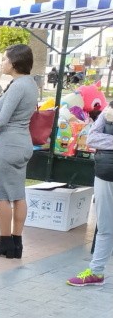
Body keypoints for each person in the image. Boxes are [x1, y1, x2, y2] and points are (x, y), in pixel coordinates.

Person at [0, 44, 38, 260]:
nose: (2, 62)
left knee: (2, 196)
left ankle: (4, 243)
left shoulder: (18, 86)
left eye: (4, 59)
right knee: (19, 195)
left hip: (9, 145)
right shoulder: (30, 84)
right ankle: (16, 244)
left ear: (14, 63)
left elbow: (2, 119)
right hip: (23, 144)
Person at [67, 104, 113, 286]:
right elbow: (91, 138)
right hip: (105, 174)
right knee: (104, 226)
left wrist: (107, 140)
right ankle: (96, 272)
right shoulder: (109, 109)